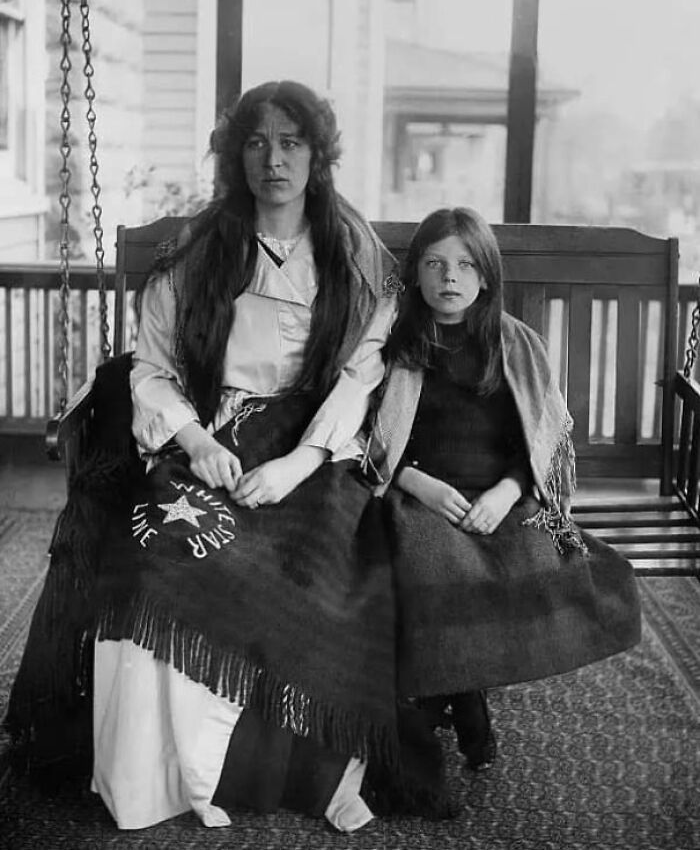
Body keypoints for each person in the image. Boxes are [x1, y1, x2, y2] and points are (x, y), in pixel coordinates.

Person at [8, 81, 400, 833]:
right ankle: (162, 778)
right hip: (212, 432)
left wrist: (299, 461)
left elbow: (363, 374)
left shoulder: (352, 254)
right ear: (236, 155)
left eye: (291, 143)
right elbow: (151, 366)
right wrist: (194, 439)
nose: (273, 159)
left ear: (317, 157)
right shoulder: (201, 250)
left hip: (315, 447)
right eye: (257, 142)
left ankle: (289, 772)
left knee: (316, 569)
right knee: (155, 561)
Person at [362, 206, 641, 777]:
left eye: (465, 265)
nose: (449, 278)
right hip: (417, 493)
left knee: (542, 560)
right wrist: (415, 481)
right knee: (433, 565)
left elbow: (543, 437)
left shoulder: (516, 345)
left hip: (503, 496)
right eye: (435, 264)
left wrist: (509, 492)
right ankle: (466, 703)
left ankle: (448, 691)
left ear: (486, 276)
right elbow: (366, 429)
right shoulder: (393, 342)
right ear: (415, 273)